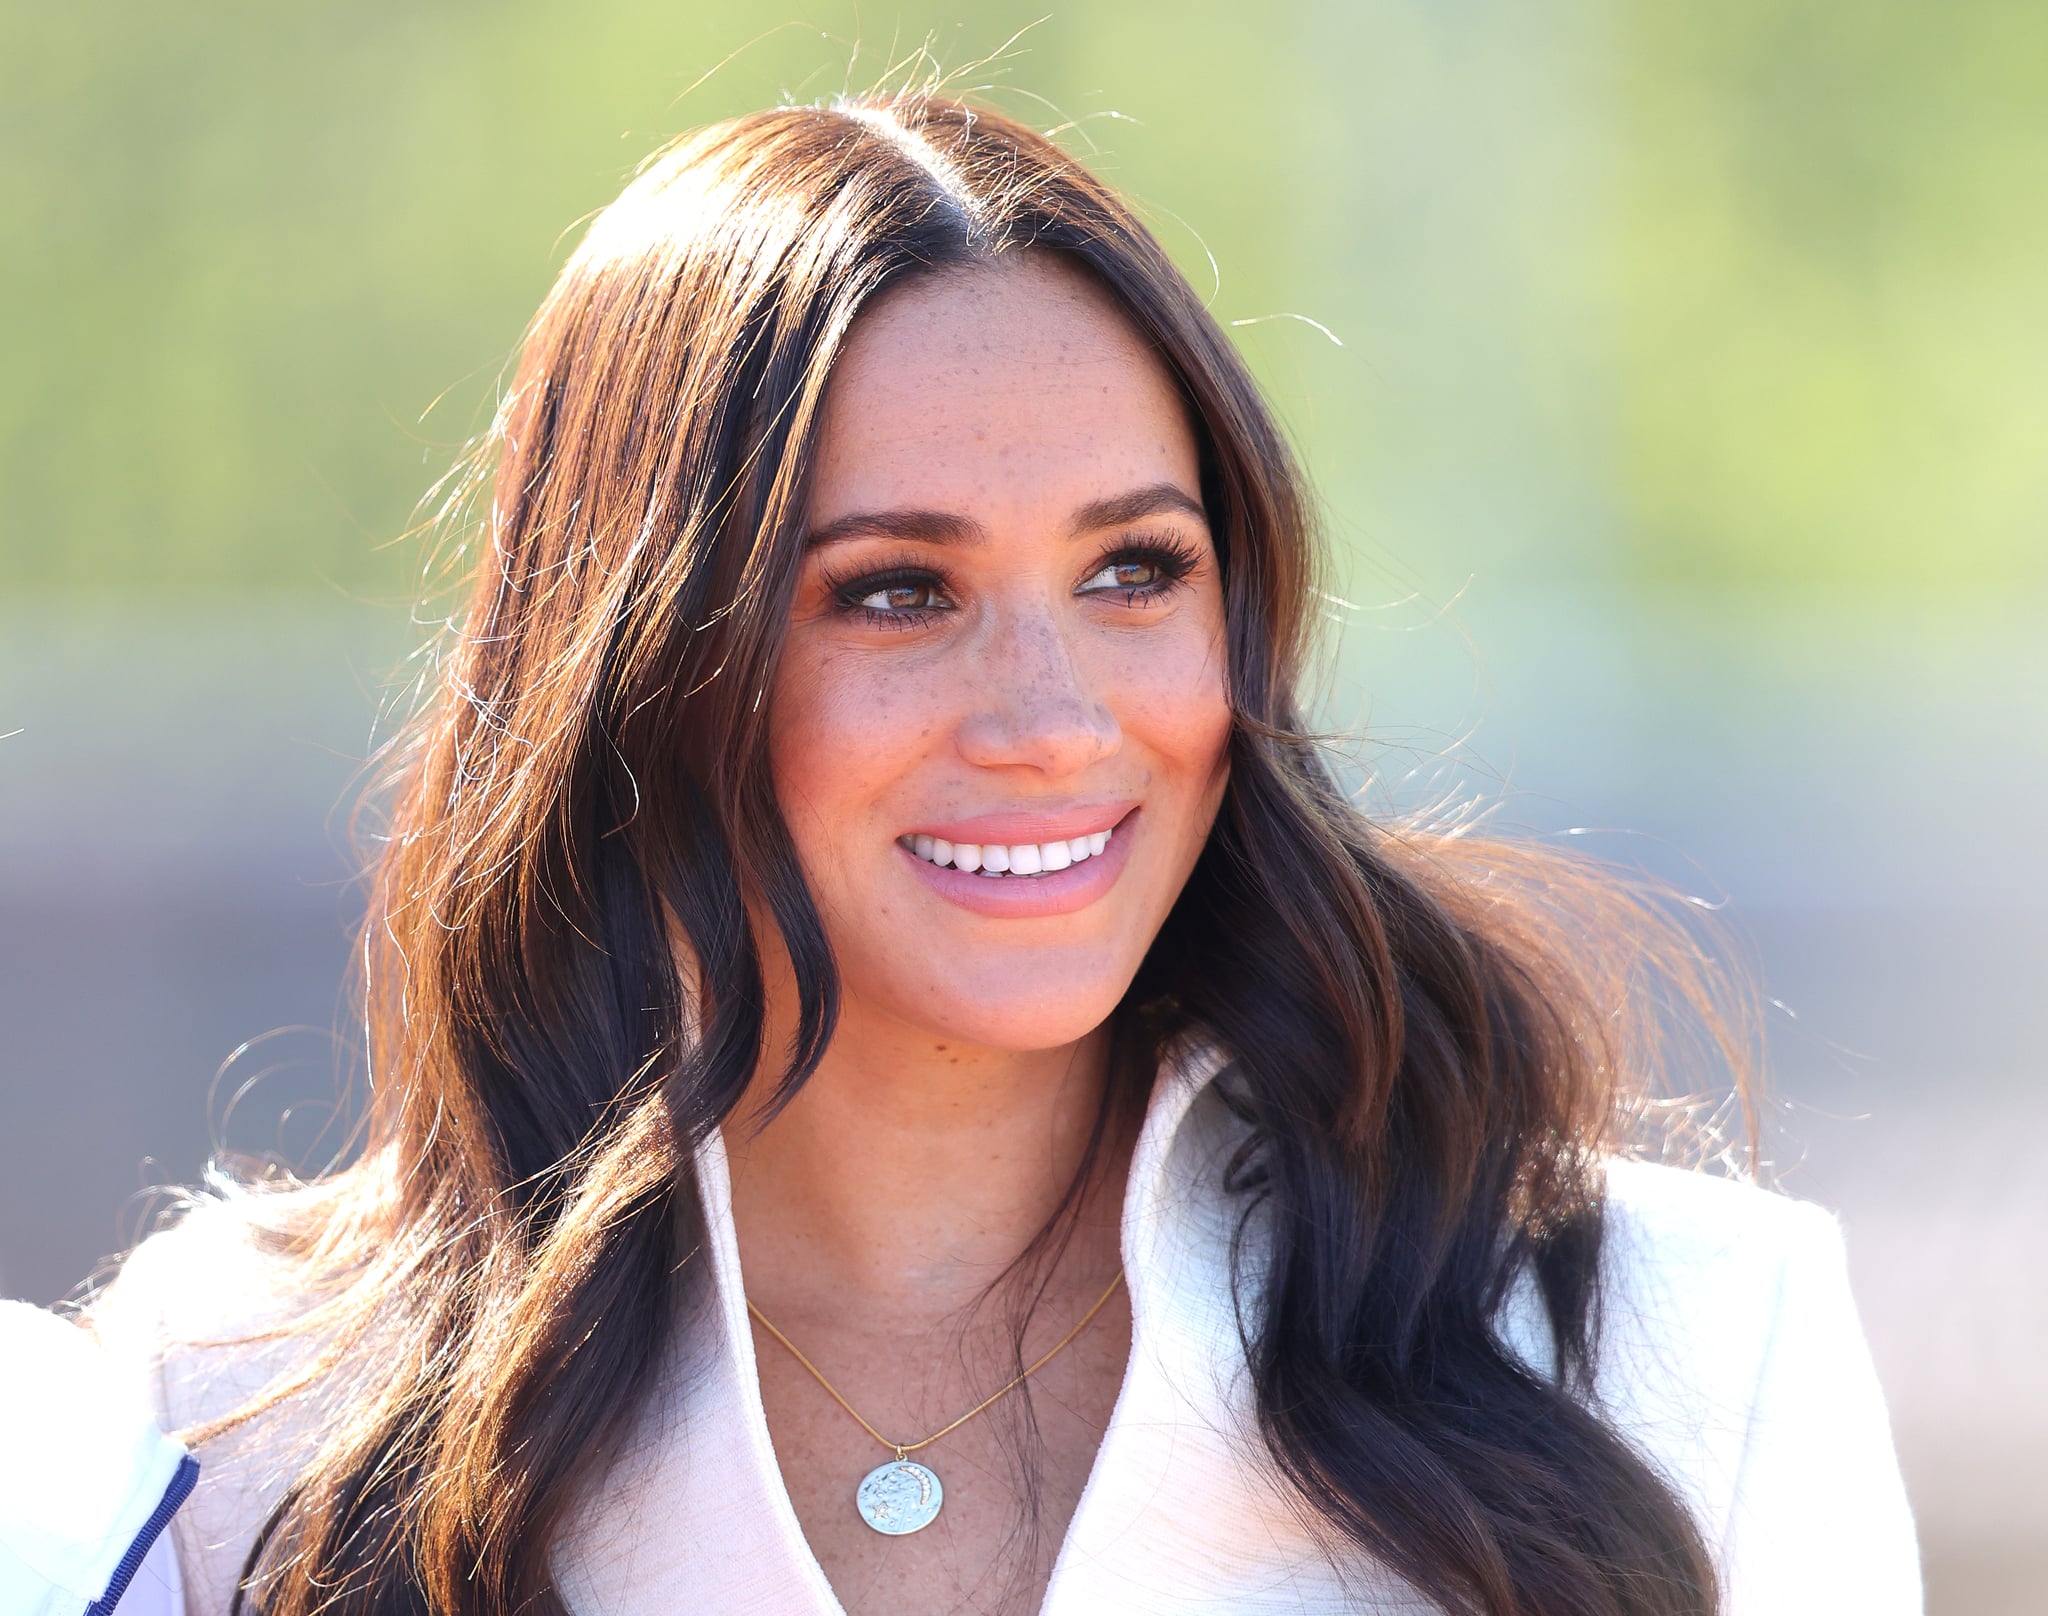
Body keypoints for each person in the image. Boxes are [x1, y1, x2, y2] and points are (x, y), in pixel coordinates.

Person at [57, 93, 1917, 1615]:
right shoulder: (227, 1420)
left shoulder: (1681, 1355)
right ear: (640, 670)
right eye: (895, 592)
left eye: (1135, 573)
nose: (1052, 714)